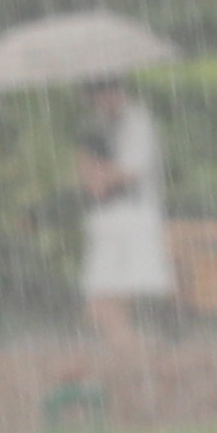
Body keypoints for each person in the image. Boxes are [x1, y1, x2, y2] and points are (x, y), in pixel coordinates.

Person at [76, 78, 173, 342]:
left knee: (121, 286)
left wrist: (101, 176)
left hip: (134, 214)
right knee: (102, 289)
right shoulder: (94, 126)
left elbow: (133, 170)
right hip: (105, 216)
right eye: (99, 95)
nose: (107, 100)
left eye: (111, 93)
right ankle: (127, 342)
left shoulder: (137, 123)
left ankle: (128, 343)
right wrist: (91, 173)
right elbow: (87, 174)